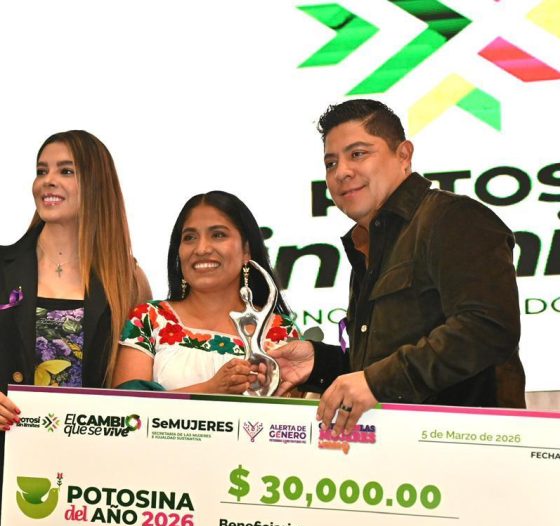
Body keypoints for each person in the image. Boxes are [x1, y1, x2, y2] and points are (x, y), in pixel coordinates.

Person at [271, 99, 525, 436]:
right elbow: (377, 366)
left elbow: (487, 329)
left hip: (467, 444)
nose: (341, 172)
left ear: (404, 155)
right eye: (331, 163)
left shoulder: (451, 217)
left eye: (358, 153)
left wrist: (376, 382)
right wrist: (318, 362)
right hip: (400, 451)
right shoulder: (369, 244)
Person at [0, 130, 152, 432]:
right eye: (41, 171)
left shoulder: (128, 279)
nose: (47, 180)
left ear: (97, 184)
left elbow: (137, 386)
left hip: (89, 452)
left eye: (66, 171)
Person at [112, 191, 298, 393]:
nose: (201, 249)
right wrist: (211, 388)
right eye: (189, 237)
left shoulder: (281, 331)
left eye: (218, 235)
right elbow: (126, 408)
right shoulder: (149, 319)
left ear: (246, 250)